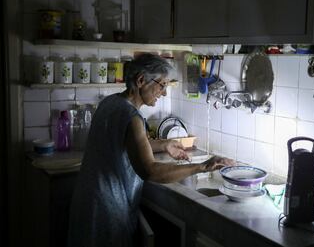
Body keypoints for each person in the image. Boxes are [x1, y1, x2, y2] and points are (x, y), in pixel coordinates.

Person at [67, 53, 235, 247]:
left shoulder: (110, 102)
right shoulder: (132, 117)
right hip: (108, 209)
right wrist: (202, 166)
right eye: (162, 84)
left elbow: (121, 143)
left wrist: (163, 144)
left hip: (86, 202)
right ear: (141, 81)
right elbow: (150, 171)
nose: (163, 92)